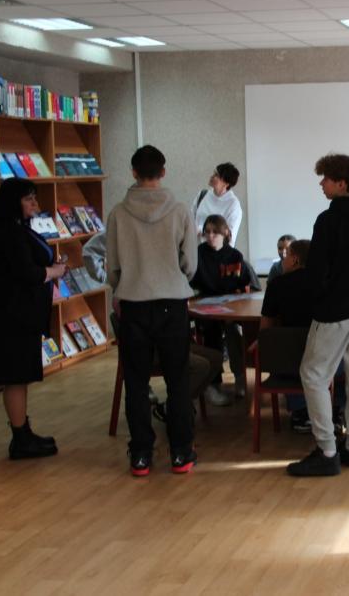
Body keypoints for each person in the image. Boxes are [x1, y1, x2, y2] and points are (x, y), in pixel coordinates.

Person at [287, 153, 349, 477]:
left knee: (313, 375)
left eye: (326, 178)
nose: (321, 183)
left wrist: (317, 302)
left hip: (335, 310)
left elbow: (317, 271)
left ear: (341, 183)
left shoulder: (328, 221)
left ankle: (327, 451)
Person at [107, 144, 198, 477]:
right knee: (178, 380)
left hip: (133, 304)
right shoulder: (180, 211)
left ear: (133, 172)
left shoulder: (118, 213)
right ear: (163, 172)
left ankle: (141, 455)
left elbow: (112, 266)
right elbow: (190, 263)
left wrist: (126, 283)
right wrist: (175, 278)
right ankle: (181, 453)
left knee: (136, 381)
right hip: (172, 304)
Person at [82, 231, 223, 420]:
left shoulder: (167, 229)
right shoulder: (128, 293)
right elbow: (90, 251)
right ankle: (174, 407)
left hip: (168, 335)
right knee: (199, 365)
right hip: (154, 346)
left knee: (215, 358)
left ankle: (175, 406)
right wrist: (109, 278)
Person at [0, 178, 67, 460]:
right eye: (29, 199)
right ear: (13, 201)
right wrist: (55, 272)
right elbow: (27, 273)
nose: (35, 204)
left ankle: (23, 432)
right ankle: (20, 438)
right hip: (11, 316)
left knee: (19, 376)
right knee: (15, 377)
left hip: (17, 315)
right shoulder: (7, 233)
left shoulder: (12, 229)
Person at [259, 238, 318, 432]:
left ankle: (300, 412)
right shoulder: (324, 283)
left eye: (286, 255)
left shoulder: (277, 285)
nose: (282, 259)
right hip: (321, 357)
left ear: (295, 260)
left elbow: (265, 329)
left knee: (286, 349)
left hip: (287, 362)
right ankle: (335, 410)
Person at [191, 214, 251, 404]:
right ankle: (214, 382)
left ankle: (239, 377)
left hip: (232, 307)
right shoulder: (199, 253)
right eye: (207, 232)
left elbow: (243, 284)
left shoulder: (234, 256)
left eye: (215, 232)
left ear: (225, 233)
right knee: (211, 335)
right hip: (207, 307)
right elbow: (192, 281)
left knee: (233, 331)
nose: (210, 236)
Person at [193, 162, 243, 246]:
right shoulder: (202, 195)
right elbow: (190, 218)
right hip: (196, 249)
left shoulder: (233, 205)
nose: (212, 176)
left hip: (216, 252)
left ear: (226, 183)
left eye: (216, 175)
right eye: (213, 173)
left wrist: (201, 230)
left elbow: (229, 237)